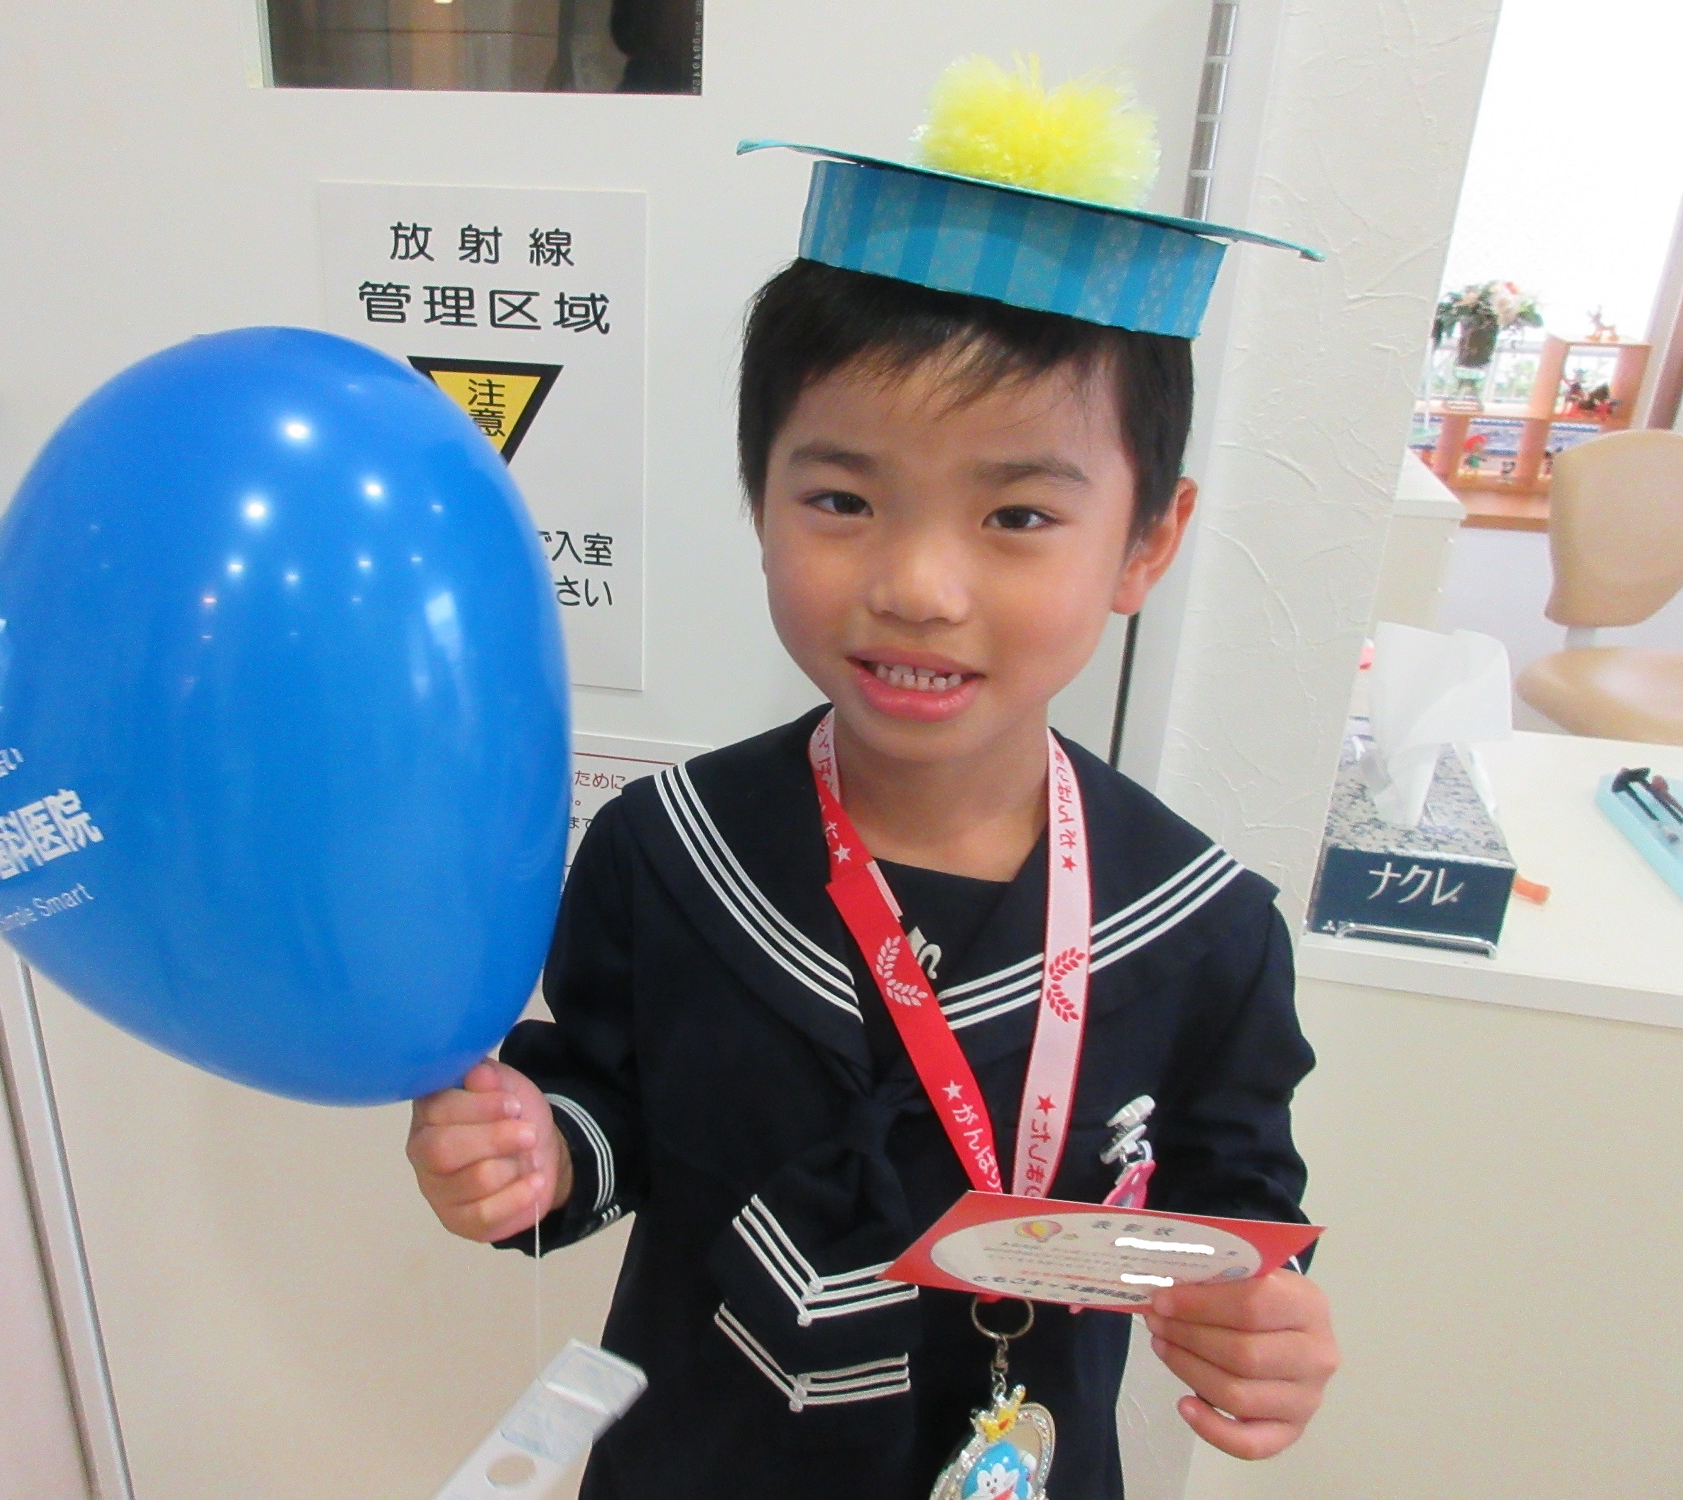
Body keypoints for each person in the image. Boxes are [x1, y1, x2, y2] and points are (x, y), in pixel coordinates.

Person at [407, 102, 1339, 1500]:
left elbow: (1234, 1207)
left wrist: (1264, 1326)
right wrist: (532, 1154)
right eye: (843, 499)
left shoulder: (1200, 932)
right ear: (758, 496)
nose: (918, 585)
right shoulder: (668, 853)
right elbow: (607, 1108)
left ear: (1148, 540)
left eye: (1017, 516)